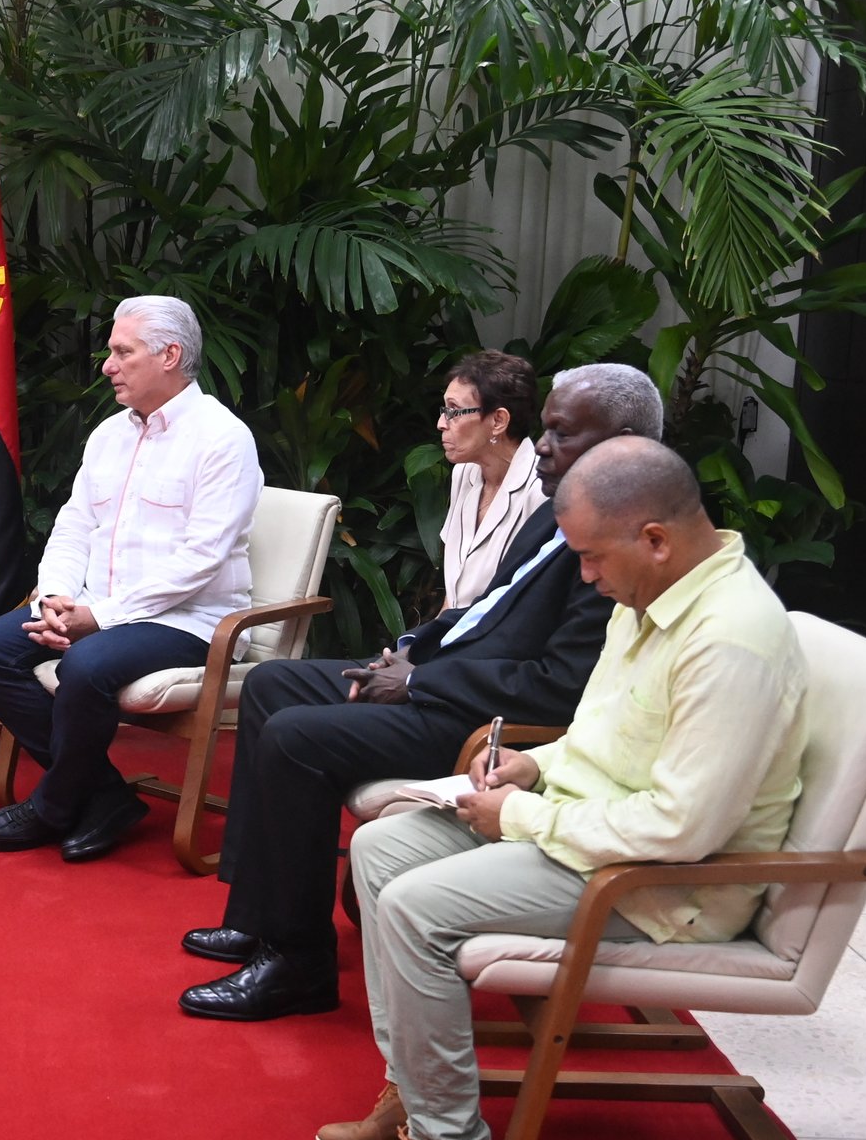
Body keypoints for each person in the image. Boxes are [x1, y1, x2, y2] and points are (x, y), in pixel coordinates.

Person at [319, 436, 806, 1140]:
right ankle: (416, 1091)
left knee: (415, 906)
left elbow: (682, 827)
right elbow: (599, 732)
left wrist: (522, 815)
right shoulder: (650, 593)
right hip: (589, 837)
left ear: (655, 537)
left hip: (662, 886)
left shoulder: (730, 638)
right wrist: (534, 767)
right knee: (382, 846)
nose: (583, 576)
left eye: (588, 556)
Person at [177, 363, 665, 1021]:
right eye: (544, 428)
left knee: (297, 739)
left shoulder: (625, 544)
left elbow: (557, 688)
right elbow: (485, 608)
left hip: (477, 720)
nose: (541, 445)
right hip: (440, 682)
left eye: (560, 432)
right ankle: (259, 915)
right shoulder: (558, 511)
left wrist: (421, 680)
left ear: (624, 441)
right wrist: (411, 649)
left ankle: (299, 963)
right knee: (272, 683)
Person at [0, 295, 262, 862]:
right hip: (94, 605)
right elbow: (75, 524)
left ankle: (53, 807)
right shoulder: (109, 434)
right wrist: (56, 596)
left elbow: (201, 559)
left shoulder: (223, 440)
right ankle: (104, 796)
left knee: (87, 662)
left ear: (170, 355)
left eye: (122, 352)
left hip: (190, 619)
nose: (107, 365)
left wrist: (97, 619)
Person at [434, 351, 545, 607]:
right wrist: (423, 643)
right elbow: (454, 595)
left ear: (498, 421)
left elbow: (529, 605)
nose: (441, 423)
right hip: (457, 637)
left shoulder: (541, 491)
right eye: (444, 409)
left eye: (454, 411)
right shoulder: (465, 472)